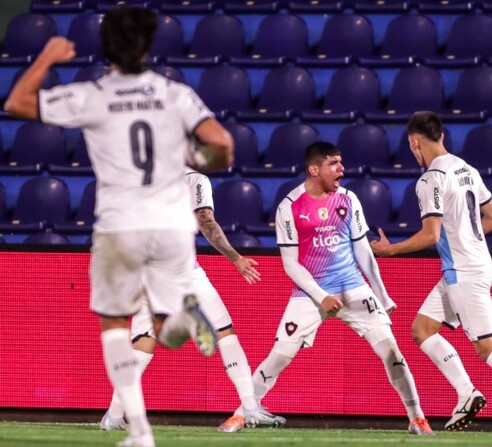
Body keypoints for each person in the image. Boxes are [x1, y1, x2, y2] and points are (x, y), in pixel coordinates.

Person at [5, 7, 234, 447]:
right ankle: (184, 320)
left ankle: (141, 433)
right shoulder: (175, 93)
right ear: (148, 46)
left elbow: (17, 102)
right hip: (172, 226)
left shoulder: (94, 94)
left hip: (120, 224)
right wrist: (200, 160)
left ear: (105, 46)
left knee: (116, 324)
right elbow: (222, 144)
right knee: (163, 332)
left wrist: (48, 57)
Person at [370, 111, 492, 437]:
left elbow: (430, 234)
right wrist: (465, 237)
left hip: (464, 271)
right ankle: (466, 392)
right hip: (472, 265)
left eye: (412, 147)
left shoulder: (430, 179)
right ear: (441, 136)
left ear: (414, 143)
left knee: (488, 346)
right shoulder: (466, 169)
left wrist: (389, 250)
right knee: (422, 329)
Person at [234, 141, 434, 435]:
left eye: (341, 163)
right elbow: (291, 264)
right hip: (312, 293)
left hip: (353, 287)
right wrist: (321, 296)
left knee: (392, 352)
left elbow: (363, 251)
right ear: (314, 169)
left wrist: (381, 293)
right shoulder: (289, 207)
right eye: (334, 164)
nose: (342, 169)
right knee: (279, 356)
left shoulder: (348, 199)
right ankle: (243, 414)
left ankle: (417, 418)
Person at [100, 168, 285, 433]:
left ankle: (114, 414)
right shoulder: (194, 179)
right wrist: (236, 258)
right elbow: (206, 221)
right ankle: (251, 407)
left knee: (143, 342)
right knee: (223, 331)